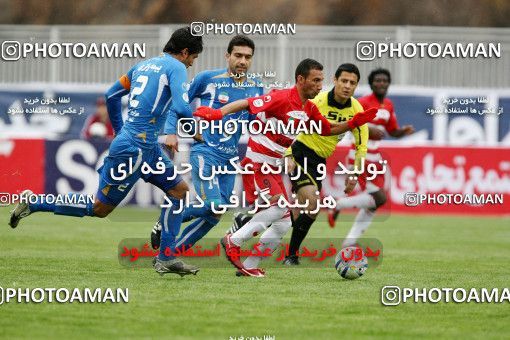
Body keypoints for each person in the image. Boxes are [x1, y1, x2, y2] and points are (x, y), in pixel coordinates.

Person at [9, 27, 203, 277]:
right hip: (136, 148)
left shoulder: (141, 67)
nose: (190, 64)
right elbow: (181, 106)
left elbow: (111, 95)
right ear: (185, 52)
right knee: (100, 208)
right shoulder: (175, 67)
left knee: (179, 192)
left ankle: (166, 257)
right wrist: (195, 130)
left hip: (145, 146)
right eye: (192, 59)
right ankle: (35, 203)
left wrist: (121, 132)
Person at [195, 58, 377, 277]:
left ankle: (250, 265)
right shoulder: (282, 97)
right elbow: (248, 102)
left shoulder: (309, 107)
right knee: (281, 208)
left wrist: (353, 123)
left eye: (321, 81)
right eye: (316, 81)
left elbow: (327, 129)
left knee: (283, 222)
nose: (320, 86)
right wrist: (218, 113)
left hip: (274, 166)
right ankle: (233, 241)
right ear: (301, 80)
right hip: (257, 161)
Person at [149, 35, 263, 251]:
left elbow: (254, 123)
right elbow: (177, 104)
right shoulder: (207, 79)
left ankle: (171, 253)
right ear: (227, 56)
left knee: (216, 214)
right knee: (213, 205)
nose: (243, 61)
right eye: (238, 55)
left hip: (230, 158)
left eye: (248, 57)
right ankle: (165, 220)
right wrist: (171, 133)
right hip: (205, 152)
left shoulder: (256, 86)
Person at [280, 63, 369, 265]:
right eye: (343, 81)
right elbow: (293, 126)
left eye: (352, 83)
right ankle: (291, 256)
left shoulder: (356, 110)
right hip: (300, 150)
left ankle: (261, 224)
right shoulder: (318, 101)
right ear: (335, 81)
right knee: (312, 204)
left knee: (300, 211)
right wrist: (288, 154)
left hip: (319, 160)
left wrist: (355, 174)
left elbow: (361, 146)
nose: (347, 86)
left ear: (356, 86)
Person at [328, 68, 414, 247]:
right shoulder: (363, 102)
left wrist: (402, 132)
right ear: (371, 83)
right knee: (380, 198)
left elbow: (391, 130)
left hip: (375, 156)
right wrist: (368, 129)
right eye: (377, 81)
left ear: (389, 83)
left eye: (384, 80)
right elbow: (350, 124)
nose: (381, 83)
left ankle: (349, 241)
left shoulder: (388, 105)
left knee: (374, 203)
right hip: (360, 153)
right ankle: (339, 204)